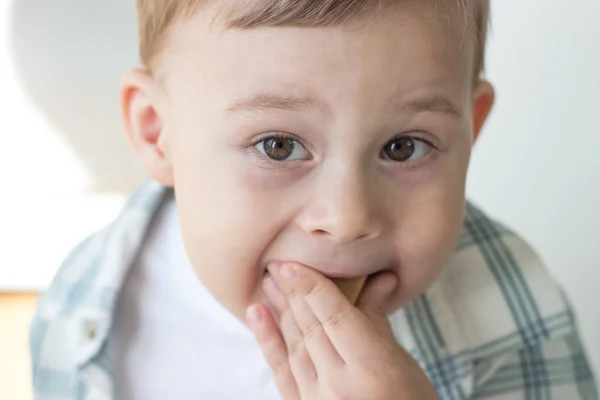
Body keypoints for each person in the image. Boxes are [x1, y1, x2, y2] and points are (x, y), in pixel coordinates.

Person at [29, 1, 598, 399]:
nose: (346, 219)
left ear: (469, 133)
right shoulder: (84, 305)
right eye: (278, 146)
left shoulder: (510, 307)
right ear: (158, 133)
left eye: (403, 146)